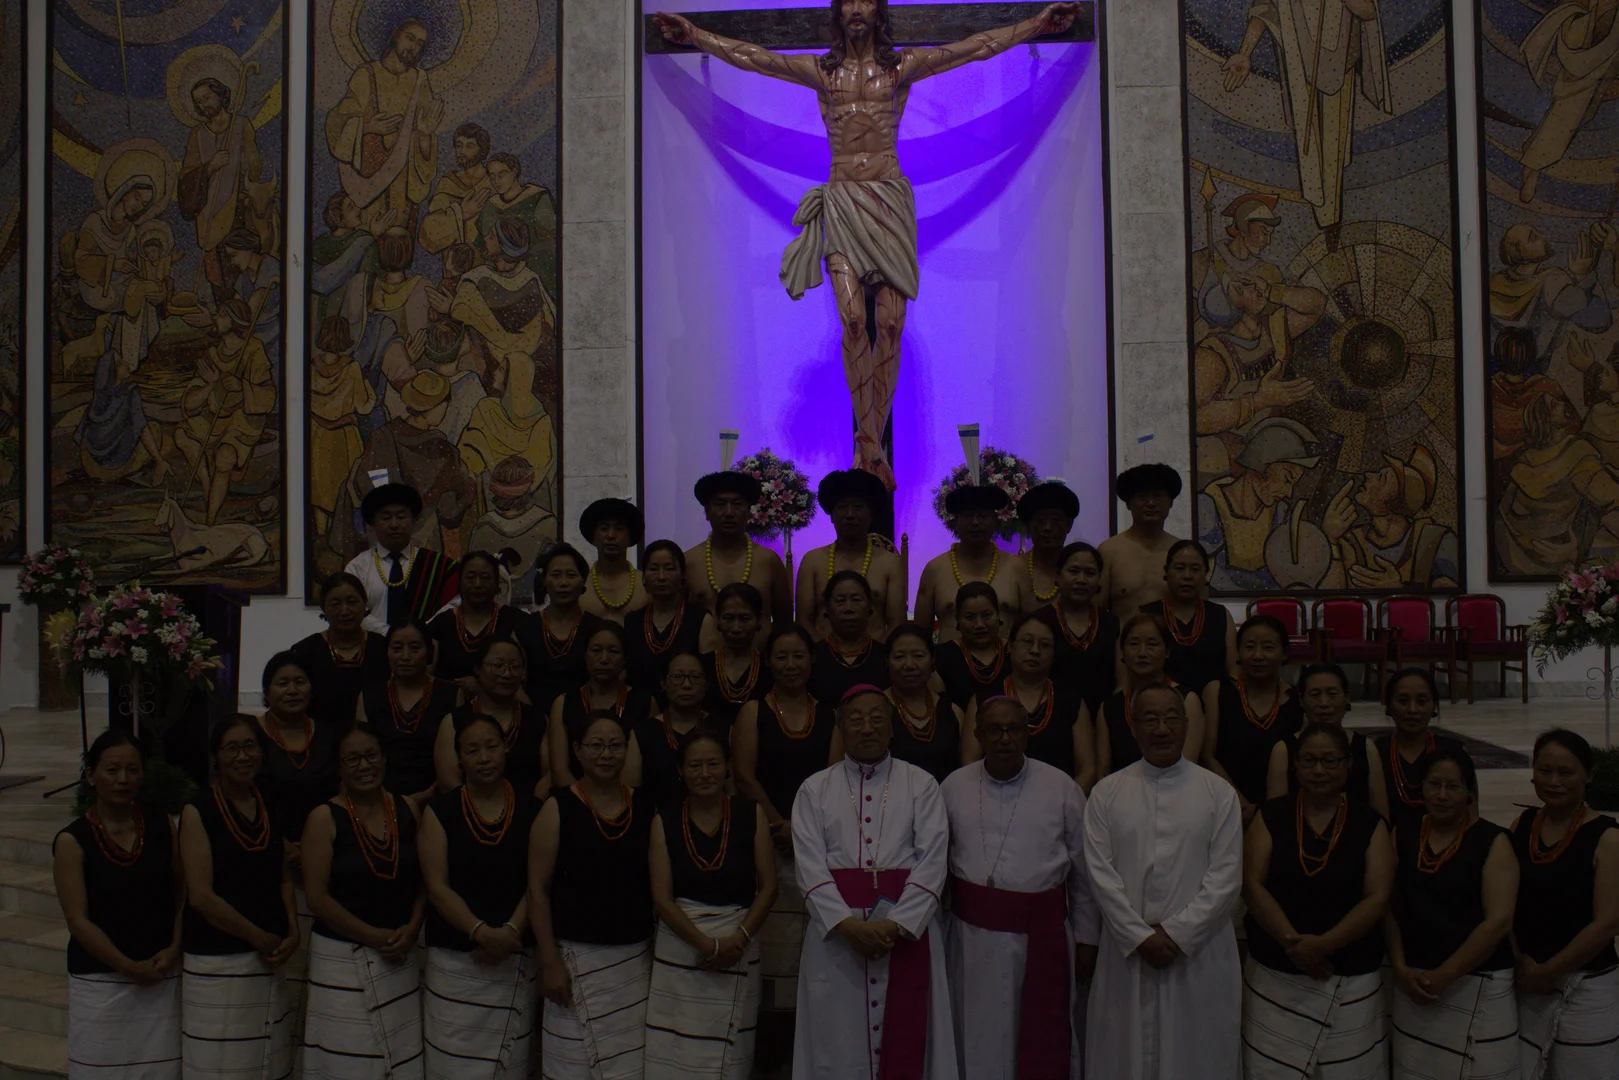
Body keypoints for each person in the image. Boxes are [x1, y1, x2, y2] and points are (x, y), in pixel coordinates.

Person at [652, 2, 1082, 486]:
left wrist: (1038, 26)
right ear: (839, 15)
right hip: (842, 201)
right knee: (854, 321)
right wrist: (695, 36)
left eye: (866, 1)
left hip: (889, 202)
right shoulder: (822, 73)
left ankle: (870, 443)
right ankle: (872, 444)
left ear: (878, 13)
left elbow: (974, 50)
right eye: (848, 2)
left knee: (891, 325)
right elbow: (754, 58)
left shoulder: (901, 68)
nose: (857, 9)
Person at [789, 686, 956, 1078]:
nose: (867, 728)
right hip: (838, 940)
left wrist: (896, 925)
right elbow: (809, 868)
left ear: (892, 726)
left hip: (906, 935)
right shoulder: (815, 790)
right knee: (835, 1041)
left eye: (877, 719)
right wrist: (848, 927)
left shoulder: (922, 785)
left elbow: (933, 861)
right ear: (841, 727)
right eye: (856, 720)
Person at [1083, 682, 1242, 1079]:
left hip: (1197, 956)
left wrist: (1175, 934)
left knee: (1198, 1055)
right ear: (1132, 727)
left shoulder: (1218, 793)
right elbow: (1100, 876)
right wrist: (1140, 937)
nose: (1162, 729)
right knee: (1123, 1055)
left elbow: (1226, 878)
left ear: (1187, 726)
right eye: (1150, 719)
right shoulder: (1106, 794)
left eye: (1171, 719)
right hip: (1128, 954)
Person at [943, 696, 1098, 1080]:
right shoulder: (953, 787)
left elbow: (1083, 872)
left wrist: (1087, 938)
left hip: (1042, 939)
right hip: (971, 940)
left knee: (1040, 1038)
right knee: (975, 1033)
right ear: (978, 735)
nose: (1004, 739)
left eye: (1014, 729)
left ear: (1028, 734)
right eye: (994, 730)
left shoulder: (1061, 787)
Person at [1242, 722, 1393, 1080]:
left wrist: (1324, 945)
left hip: (1349, 976)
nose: (1319, 770)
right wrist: (1294, 944)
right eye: (1309, 761)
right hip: (1276, 973)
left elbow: (1377, 897)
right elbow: (1251, 884)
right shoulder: (1271, 815)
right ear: (1294, 766)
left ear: (1348, 765)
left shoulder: (1370, 823)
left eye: (1330, 761)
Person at [528, 712, 657, 1080]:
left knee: (627, 1067)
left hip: (632, 962)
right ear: (577, 751)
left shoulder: (647, 807)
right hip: (573, 963)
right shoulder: (557, 807)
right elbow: (537, 890)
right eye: (596, 745)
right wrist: (550, 961)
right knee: (569, 1065)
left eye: (615, 746)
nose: (606, 754)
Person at [731, 625, 838, 1062]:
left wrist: (802, 830)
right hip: (763, 840)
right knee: (770, 950)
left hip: (816, 845)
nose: (791, 665)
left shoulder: (831, 714)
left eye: (799, 657)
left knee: (808, 953)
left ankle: (810, 1053)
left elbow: (833, 781)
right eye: (781, 657)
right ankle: (766, 1057)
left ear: (811, 663)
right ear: (767, 662)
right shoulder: (753, 711)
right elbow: (743, 776)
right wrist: (781, 825)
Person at [645, 731, 778, 1079]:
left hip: (740, 941)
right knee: (676, 1053)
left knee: (731, 1058)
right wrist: (705, 944)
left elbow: (769, 886)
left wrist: (740, 939)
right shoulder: (664, 820)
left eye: (713, 764)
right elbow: (662, 898)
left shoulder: (752, 815)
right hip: (682, 950)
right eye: (695, 766)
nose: (705, 773)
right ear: (681, 771)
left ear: (728, 768)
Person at [419, 714, 544, 1079]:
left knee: (511, 1064)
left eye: (491, 746)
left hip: (515, 953)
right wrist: (481, 932)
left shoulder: (533, 809)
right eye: (472, 750)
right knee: (451, 1064)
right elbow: (437, 886)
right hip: (455, 963)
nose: (484, 757)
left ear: (506, 748)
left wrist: (508, 933)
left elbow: (537, 883)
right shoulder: (440, 811)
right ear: (459, 758)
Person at [54, 730, 183, 1080]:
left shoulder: (161, 824)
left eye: (132, 769)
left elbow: (181, 892)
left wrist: (174, 947)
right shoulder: (72, 840)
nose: (123, 779)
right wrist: (127, 967)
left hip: (160, 974)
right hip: (101, 983)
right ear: (90, 775)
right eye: (112, 770)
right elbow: (78, 921)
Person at [300, 724, 425, 1079]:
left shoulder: (409, 809)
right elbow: (317, 899)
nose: (363, 765)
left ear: (385, 759)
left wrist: (413, 928)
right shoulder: (323, 817)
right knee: (346, 1060)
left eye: (371, 755)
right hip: (341, 961)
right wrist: (372, 936)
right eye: (352, 759)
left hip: (400, 953)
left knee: (398, 1059)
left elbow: (424, 882)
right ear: (339, 767)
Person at [1386, 749, 1520, 1079]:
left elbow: (1498, 921)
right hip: (1413, 985)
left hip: (1477, 985)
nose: (1442, 795)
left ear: (1469, 792)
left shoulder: (1494, 840)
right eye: (1434, 784)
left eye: (1453, 787)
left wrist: (1444, 976)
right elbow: (1387, 906)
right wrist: (1401, 967)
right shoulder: (1401, 833)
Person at [178, 716, 298, 1080]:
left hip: (268, 958)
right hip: (218, 961)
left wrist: (293, 930)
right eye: (232, 748)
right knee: (221, 1066)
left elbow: (282, 877)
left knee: (266, 1061)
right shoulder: (197, 810)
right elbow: (201, 897)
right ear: (216, 756)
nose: (242, 756)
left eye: (250, 746)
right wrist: (257, 936)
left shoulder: (268, 803)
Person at [1219, 0, 1389, 233]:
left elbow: (1368, 11)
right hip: (1299, 67)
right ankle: (1326, 217)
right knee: (1311, 155)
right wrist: (1245, 52)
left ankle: (1331, 220)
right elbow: (1265, 8)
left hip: (1338, 64)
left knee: (1332, 154)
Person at [1512, 728, 1619, 1079]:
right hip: (1527, 979)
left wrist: (1549, 971)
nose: (1554, 782)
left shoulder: (1607, 837)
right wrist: (1522, 961)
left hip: (1586, 986)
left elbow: (1607, 923)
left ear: (1589, 775)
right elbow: (1503, 905)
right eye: (1544, 771)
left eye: (1566, 773)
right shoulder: (1521, 826)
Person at [173, 297, 276, 526]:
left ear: (235, 321)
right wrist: (211, 384)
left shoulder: (253, 349)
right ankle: (208, 484)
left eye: (221, 314)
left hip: (243, 420)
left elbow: (269, 397)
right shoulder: (212, 354)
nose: (215, 318)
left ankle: (210, 520)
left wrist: (242, 387)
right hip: (216, 417)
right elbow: (189, 404)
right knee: (181, 434)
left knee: (224, 458)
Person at [324, 18, 442, 215]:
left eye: (420, 43)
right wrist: (367, 127)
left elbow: (425, 133)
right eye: (410, 38)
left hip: (403, 182)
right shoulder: (366, 74)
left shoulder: (420, 80)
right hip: (367, 179)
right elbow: (337, 122)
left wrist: (423, 135)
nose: (413, 47)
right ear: (396, 36)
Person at [963, 612, 1094, 788]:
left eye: (1045, 645)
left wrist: (1061, 804)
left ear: (1054, 654)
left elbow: (1087, 771)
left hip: (1057, 805)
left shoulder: (1072, 702)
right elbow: (969, 764)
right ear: (1009, 646)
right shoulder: (984, 700)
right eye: (1027, 641)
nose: (1035, 650)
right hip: (994, 802)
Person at [1266, 662, 1390, 821]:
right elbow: (1274, 817)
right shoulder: (1284, 749)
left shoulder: (1366, 748)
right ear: (1301, 700)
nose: (1324, 703)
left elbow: (1380, 816)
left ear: (1347, 697)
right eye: (1315, 695)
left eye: (1332, 694)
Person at [1093, 614, 1208, 781]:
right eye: (1133, 644)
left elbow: (1187, 766)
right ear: (1122, 653)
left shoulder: (1187, 700)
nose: (1142, 653)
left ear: (1167, 651)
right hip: (1123, 798)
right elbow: (1103, 773)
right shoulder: (1109, 707)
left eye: (1152, 644)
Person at [795, 469, 905, 638]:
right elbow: (804, 622)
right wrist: (825, 655)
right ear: (831, 515)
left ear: (871, 514)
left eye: (858, 507)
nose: (850, 515)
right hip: (822, 659)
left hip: (876, 658)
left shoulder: (890, 563)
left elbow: (897, 624)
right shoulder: (812, 561)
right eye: (842, 507)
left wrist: (875, 656)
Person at [1206, 615, 1295, 821]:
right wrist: (1238, 802)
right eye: (1249, 647)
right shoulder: (1217, 691)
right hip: (1224, 804)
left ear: (1284, 653)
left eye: (1268, 647)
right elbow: (1208, 756)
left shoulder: (1296, 702)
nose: (1257, 656)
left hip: (1282, 812)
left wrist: (1269, 811)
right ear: (1238, 652)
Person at [254, 654, 340, 866]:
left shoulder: (330, 736)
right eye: (283, 683)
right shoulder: (250, 734)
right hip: (260, 846)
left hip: (327, 849)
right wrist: (282, 845)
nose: (293, 691)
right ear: (266, 692)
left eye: (300, 682)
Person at [439, 636, 549, 800]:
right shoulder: (455, 721)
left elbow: (549, 774)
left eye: (515, 667)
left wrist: (530, 808)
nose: (507, 674)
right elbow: (448, 781)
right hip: (468, 811)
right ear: (477, 668)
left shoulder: (537, 719)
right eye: (498, 666)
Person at [359, 619, 456, 804]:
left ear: (429, 652)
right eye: (396, 648)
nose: (405, 656)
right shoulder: (369, 696)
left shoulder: (451, 694)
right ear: (386, 653)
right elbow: (362, 754)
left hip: (440, 798)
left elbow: (460, 755)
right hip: (379, 800)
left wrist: (426, 796)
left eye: (414, 648)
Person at [344, 482, 461, 632]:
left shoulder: (436, 565)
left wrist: (423, 630)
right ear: (373, 523)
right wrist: (389, 635)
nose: (394, 524)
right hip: (371, 650)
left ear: (413, 520)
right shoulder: (358, 568)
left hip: (422, 649)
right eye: (386, 518)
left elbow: (456, 601)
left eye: (401, 516)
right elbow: (353, 610)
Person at [551, 621, 655, 789]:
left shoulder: (645, 702)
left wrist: (613, 803)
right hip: (574, 800)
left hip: (630, 801)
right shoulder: (563, 703)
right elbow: (559, 771)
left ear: (625, 659)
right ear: (585, 656)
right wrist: (585, 803)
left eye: (613, 651)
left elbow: (647, 767)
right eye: (596, 651)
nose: (604, 659)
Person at [686, 470, 792, 627]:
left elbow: (785, 624)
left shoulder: (769, 561)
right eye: (720, 505)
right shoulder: (688, 562)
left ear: (749, 511)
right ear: (707, 512)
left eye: (737, 504)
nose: (729, 512)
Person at [915, 484, 1021, 639]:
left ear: (995, 521)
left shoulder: (1016, 567)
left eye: (983, 516)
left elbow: (1031, 631)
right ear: (956, 521)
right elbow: (920, 635)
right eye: (968, 516)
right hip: (949, 662)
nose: (976, 522)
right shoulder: (935, 569)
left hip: (1006, 662)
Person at [1376, 668, 1469, 839]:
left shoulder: (1454, 752)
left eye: (1422, 701)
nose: (1413, 710)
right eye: (1403, 701)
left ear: (1434, 706)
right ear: (1388, 706)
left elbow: (1470, 817)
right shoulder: (1374, 753)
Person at [291, 571, 389, 728]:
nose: (344, 611)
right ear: (323, 607)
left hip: (375, 741)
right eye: (335, 603)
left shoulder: (383, 647)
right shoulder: (305, 652)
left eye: (352, 602)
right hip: (319, 741)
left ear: (365, 605)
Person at [1139, 540, 1236, 698]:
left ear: (1206, 574)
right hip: (1161, 706)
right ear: (1166, 572)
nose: (1187, 576)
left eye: (1195, 569)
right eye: (1179, 568)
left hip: (1216, 706)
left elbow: (1234, 671)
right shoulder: (1147, 615)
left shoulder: (1221, 615)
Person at [426, 550, 525, 690]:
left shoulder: (516, 621)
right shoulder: (441, 624)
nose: (477, 584)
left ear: (497, 582)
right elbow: (427, 677)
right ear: (460, 582)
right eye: (470, 577)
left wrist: (481, 685)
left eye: (485, 577)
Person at [514, 544, 595, 715]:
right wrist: (535, 718)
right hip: (532, 719)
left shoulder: (597, 629)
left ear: (583, 582)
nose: (563, 583)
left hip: (586, 720)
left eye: (571, 575)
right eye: (556, 575)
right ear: (544, 581)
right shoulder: (524, 628)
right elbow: (513, 684)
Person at [626, 650, 713, 807]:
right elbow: (631, 792)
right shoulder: (643, 733)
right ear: (663, 683)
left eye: (695, 677)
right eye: (677, 677)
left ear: (706, 684)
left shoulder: (722, 727)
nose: (686, 685)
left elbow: (732, 789)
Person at [624, 540, 712, 691]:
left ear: (682, 575)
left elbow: (709, 675)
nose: (661, 577)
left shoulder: (702, 620)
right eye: (653, 569)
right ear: (643, 576)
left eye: (669, 569)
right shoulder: (632, 621)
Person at [1098, 463, 1183, 619]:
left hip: (1174, 642)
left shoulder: (1182, 553)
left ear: (1171, 502)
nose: (1150, 503)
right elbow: (1096, 612)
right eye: (1142, 496)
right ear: (1128, 504)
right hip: (1123, 642)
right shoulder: (1109, 551)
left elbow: (1200, 610)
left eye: (1158, 496)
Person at [882, 622, 963, 783]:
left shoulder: (953, 711)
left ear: (932, 659)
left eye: (918, 656)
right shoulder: (875, 710)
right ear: (887, 661)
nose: (909, 665)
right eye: (899, 657)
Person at [1040, 541, 1118, 708]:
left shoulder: (1111, 624)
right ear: (1057, 575)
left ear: (1099, 579)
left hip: (1102, 716)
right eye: (1074, 571)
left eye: (1090, 573)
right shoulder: (1039, 622)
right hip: (1051, 717)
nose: (1081, 580)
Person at [810, 570, 891, 704]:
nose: (848, 608)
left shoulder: (884, 657)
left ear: (870, 607)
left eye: (856, 600)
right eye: (840, 601)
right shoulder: (813, 657)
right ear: (826, 609)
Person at [701, 583, 774, 724]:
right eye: (728, 618)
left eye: (744, 619)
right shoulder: (702, 667)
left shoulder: (770, 668)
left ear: (758, 621)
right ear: (718, 621)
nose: (736, 628)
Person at [934, 582, 1009, 709]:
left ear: (998, 614)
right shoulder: (941, 657)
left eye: (986, 615)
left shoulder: (1015, 652)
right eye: (970, 617)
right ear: (958, 619)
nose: (979, 624)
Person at [1014, 480, 1081, 615]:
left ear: (1069, 525)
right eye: (1040, 520)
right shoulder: (1015, 568)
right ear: (1028, 526)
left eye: (1055, 520)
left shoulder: (1080, 571)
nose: (1047, 528)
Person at [578, 497, 649, 622]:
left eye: (619, 529)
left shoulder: (646, 584)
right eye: (604, 529)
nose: (611, 535)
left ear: (630, 537)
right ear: (593, 537)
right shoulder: (579, 585)